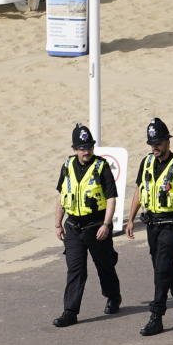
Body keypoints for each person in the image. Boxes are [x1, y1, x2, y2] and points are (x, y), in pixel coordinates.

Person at [126, 117, 173, 336]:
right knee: (161, 267)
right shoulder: (146, 162)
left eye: (158, 142)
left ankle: (156, 316)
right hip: (152, 223)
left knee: (162, 269)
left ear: (167, 141)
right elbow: (139, 191)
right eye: (151, 143)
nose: (154, 146)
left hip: (172, 223)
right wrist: (130, 218)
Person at [52, 123, 122, 327]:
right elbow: (61, 196)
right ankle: (70, 312)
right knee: (76, 270)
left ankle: (113, 296)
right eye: (82, 148)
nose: (87, 151)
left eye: (89, 147)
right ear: (74, 149)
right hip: (73, 226)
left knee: (104, 266)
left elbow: (111, 198)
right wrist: (58, 223)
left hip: (96, 226)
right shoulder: (67, 166)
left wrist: (107, 224)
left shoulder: (101, 166)